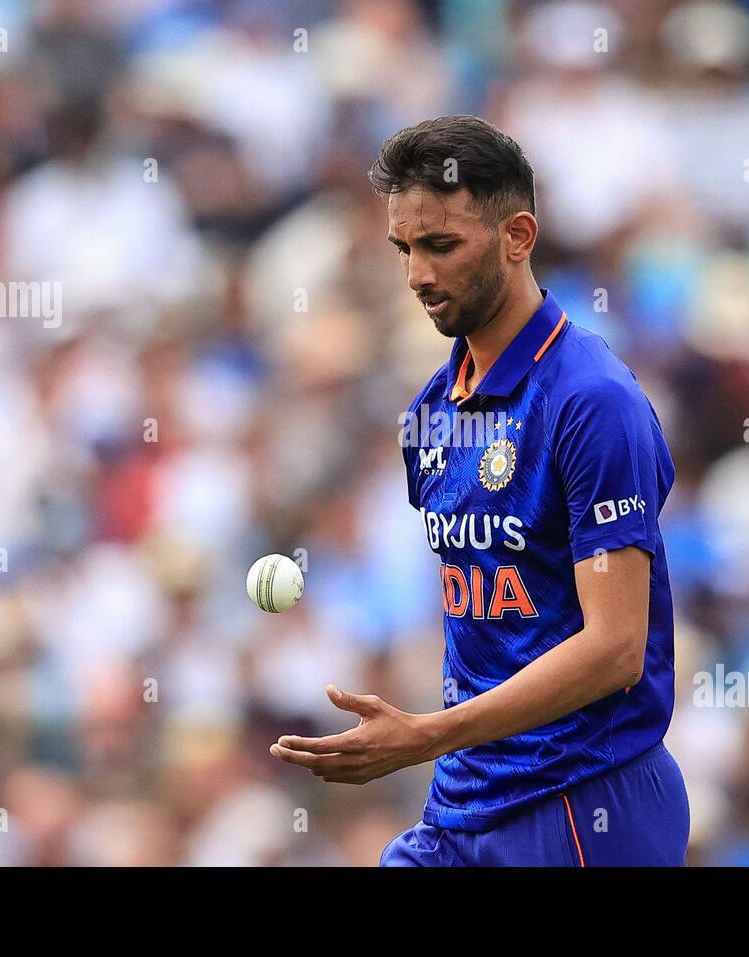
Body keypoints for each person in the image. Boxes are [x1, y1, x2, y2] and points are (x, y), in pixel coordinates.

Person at [270, 115, 689, 866]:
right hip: (464, 800)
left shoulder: (591, 401)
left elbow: (616, 648)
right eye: (404, 248)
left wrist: (427, 733)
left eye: (440, 245)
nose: (416, 276)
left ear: (518, 235)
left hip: (582, 800)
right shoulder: (431, 414)